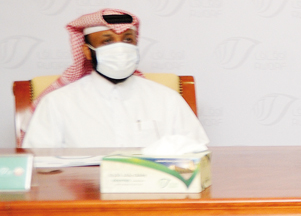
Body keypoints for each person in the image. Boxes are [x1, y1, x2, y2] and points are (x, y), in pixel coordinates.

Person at [21, 8, 209, 148]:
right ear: (87, 51)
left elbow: (196, 153)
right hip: (83, 197)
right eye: (107, 41)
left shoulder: (167, 99)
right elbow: (40, 164)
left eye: (127, 40)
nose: (120, 48)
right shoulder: (57, 103)